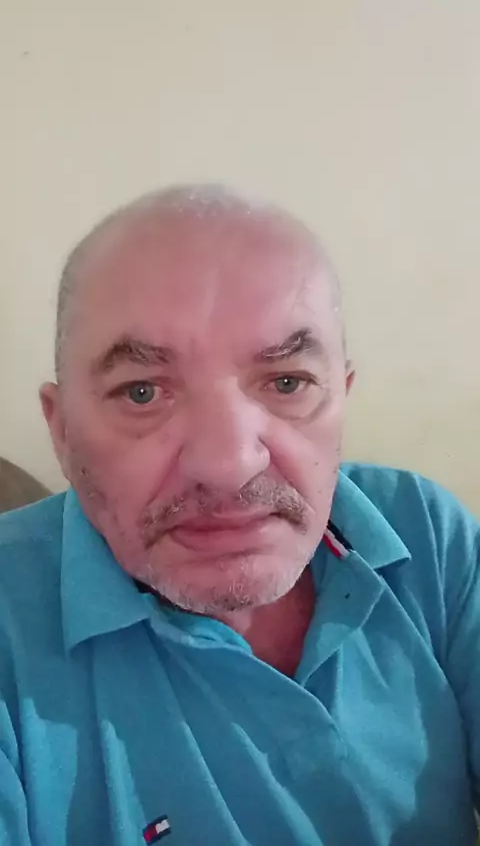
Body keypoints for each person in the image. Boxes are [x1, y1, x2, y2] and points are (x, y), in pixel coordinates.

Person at [0, 184, 478, 846]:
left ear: (341, 397)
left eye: (287, 383)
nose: (228, 465)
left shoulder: (427, 535)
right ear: (61, 430)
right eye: (142, 393)